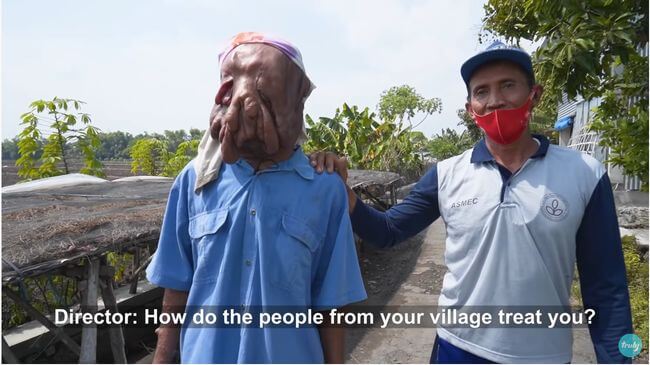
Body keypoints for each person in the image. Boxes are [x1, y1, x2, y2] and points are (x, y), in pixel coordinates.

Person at [311, 41, 633, 363]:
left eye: (508, 85)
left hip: (545, 355)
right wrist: (344, 192)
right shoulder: (447, 174)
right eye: (482, 92)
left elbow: (607, 288)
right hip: (458, 348)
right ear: (470, 108)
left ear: (534, 94)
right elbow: (388, 230)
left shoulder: (583, 173)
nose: (495, 101)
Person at [146, 32, 367, 364]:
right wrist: (162, 359)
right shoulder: (193, 182)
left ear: (297, 101)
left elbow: (331, 305)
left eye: (264, 93)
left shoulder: (325, 189)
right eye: (231, 88)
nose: (246, 106)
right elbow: (176, 287)